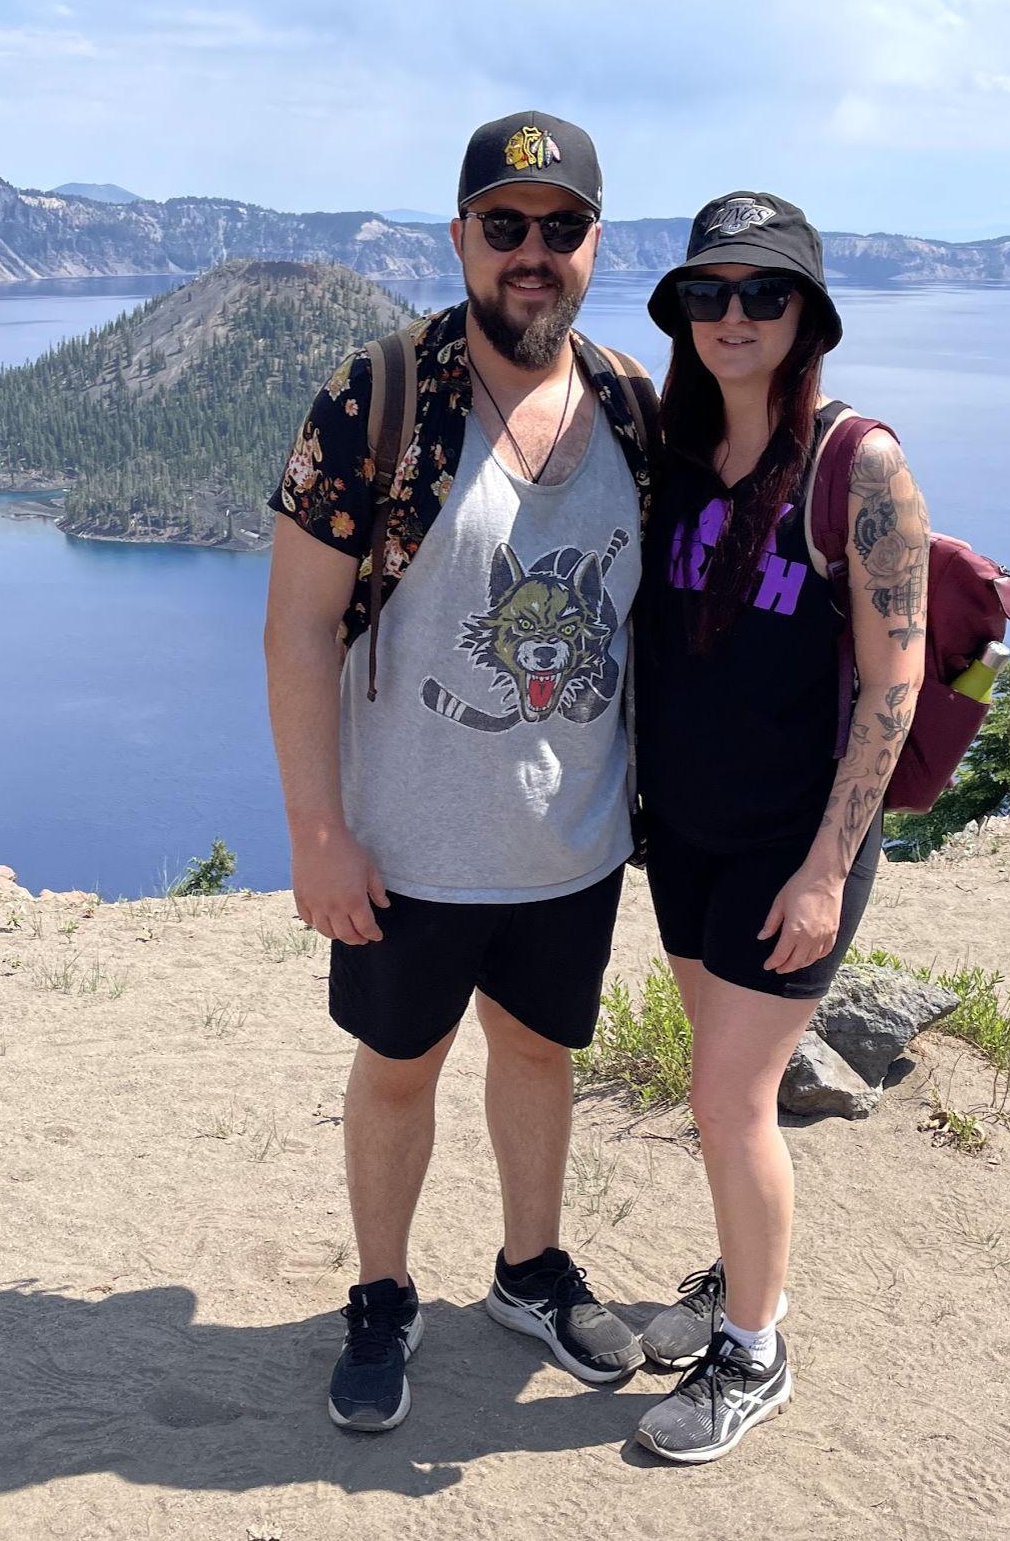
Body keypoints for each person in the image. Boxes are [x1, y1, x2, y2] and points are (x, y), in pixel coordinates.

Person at [263, 111, 657, 1432]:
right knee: (397, 1066)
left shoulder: (630, 407)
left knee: (538, 1053)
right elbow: (298, 628)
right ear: (460, 237)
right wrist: (318, 833)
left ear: (594, 244)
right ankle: (382, 1293)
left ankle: (528, 1269)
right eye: (505, 225)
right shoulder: (378, 396)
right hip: (405, 843)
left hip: (571, 839)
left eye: (560, 227)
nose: (531, 251)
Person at [630, 193, 929, 1464]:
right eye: (708, 294)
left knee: (728, 1099)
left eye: (764, 292)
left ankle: (755, 1352)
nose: (734, 315)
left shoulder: (858, 464)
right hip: (687, 834)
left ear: (808, 315)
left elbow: (895, 682)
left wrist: (824, 869)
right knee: (720, 1090)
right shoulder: (681, 450)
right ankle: (742, 1274)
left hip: (791, 849)